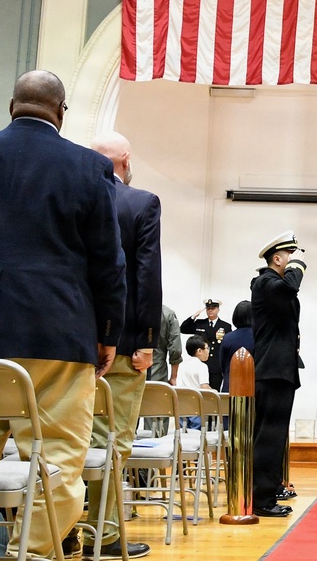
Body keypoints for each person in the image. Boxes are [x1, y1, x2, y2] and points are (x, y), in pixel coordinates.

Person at [0, 70, 125, 559]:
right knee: (55, 459)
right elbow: (108, 260)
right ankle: (37, 553)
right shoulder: (89, 168)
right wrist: (108, 331)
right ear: (61, 112)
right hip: (56, 332)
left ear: (11, 105)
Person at [73, 132, 162, 559]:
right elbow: (146, 275)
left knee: (66, 439)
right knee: (112, 439)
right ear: (125, 159)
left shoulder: (73, 196)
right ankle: (103, 533)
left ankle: (62, 528)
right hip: (123, 344)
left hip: (71, 340)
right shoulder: (140, 202)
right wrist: (147, 340)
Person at [250, 231, 306, 517]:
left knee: (275, 436)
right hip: (272, 371)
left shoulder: (273, 285)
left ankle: (269, 491)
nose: (295, 260)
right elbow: (290, 288)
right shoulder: (265, 282)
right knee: (269, 437)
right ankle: (261, 499)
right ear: (277, 259)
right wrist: (298, 266)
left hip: (280, 371)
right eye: (290, 255)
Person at [181, 299, 232, 391]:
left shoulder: (225, 326)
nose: (210, 310)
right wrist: (193, 316)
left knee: (213, 393)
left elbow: (227, 346)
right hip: (200, 364)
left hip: (216, 366)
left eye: (213, 308)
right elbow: (183, 329)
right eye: (208, 308)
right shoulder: (199, 323)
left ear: (218, 309)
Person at [219, 300, 255, 394]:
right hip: (253, 387)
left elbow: (223, 365)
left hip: (231, 387)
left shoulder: (227, 338)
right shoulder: (259, 337)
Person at [177, 337, 212, 428]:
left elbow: (178, 385)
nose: (208, 351)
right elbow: (204, 387)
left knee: (183, 432)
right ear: (199, 351)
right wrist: (214, 392)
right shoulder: (202, 366)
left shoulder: (182, 365)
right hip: (196, 406)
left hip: (182, 405)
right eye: (207, 348)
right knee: (196, 433)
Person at [151, 305, 182, 387]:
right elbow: (175, 349)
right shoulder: (168, 314)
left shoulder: (129, 308)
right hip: (157, 374)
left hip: (131, 372)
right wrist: (173, 377)